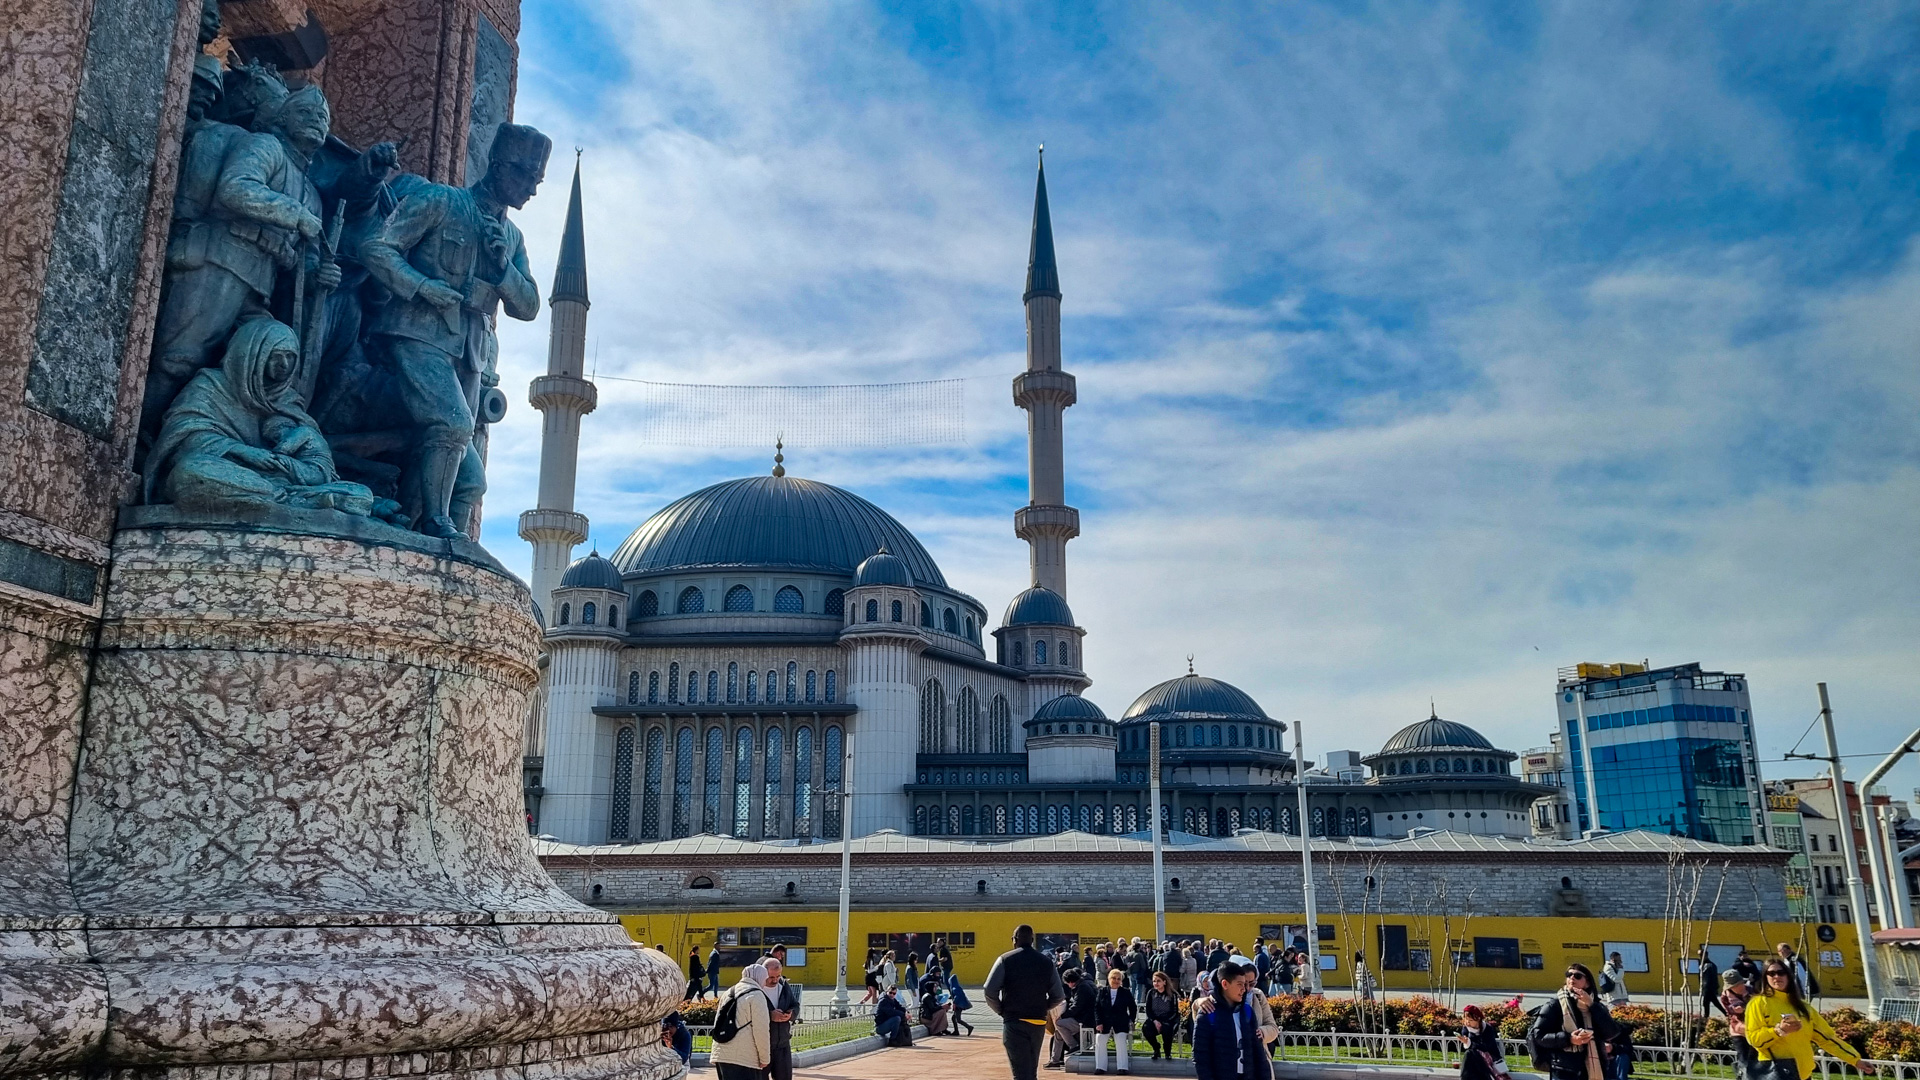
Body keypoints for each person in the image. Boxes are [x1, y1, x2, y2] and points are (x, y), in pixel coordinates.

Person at [1746, 959, 1870, 1080]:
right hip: (1777, 1072)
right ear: (1765, 977)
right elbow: (1754, 1039)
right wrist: (1778, 1031)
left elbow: (1827, 1038)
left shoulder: (1803, 1007)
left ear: (1788, 976)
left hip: (1804, 1074)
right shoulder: (1758, 1003)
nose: (1777, 977)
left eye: (1781, 972)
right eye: (1771, 973)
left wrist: (1855, 1060)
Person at [984, 924, 1067, 1080]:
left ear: (1014, 940)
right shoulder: (1046, 962)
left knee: (1020, 1073)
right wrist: (1044, 1007)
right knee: (1031, 1072)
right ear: (1032, 940)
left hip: (1014, 1021)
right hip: (1037, 1022)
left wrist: (1001, 1010)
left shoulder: (1005, 960)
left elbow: (989, 990)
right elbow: (1059, 995)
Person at [1528, 964, 1620, 1080]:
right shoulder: (1554, 1005)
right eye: (1569, 975)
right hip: (1564, 1070)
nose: (1572, 978)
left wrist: (1592, 1005)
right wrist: (1569, 1039)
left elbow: (1611, 1032)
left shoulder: (1597, 1006)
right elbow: (1539, 1035)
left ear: (1587, 983)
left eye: (1577, 976)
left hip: (1593, 1069)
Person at [1193, 960, 1273, 1080]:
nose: (1244, 989)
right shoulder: (1208, 1013)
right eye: (1240, 984)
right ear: (1225, 984)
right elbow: (1201, 1056)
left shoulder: (1247, 1011)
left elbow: (1258, 1053)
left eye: (1245, 984)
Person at [711, 961, 773, 1080]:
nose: (765, 983)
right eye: (765, 979)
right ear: (759, 977)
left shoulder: (729, 992)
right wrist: (765, 1058)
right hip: (744, 1058)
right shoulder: (757, 995)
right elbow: (761, 1030)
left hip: (721, 1054)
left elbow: (717, 1022)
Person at [1093, 965, 1136, 1075]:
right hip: (1104, 1022)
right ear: (1109, 979)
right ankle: (1100, 1067)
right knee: (1099, 1039)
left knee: (1121, 1041)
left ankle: (1122, 1068)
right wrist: (1098, 1022)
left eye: (1118, 979)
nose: (1116, 981)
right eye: (1114, 978)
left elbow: (1133, 1007)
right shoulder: (1102, 991)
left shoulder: (1126, 992)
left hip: (1120, 1022)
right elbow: (1097, 1007)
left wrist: (1131, 1020)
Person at [764, 948, 800, 1080]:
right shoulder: (756, 990)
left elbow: (795, 1005)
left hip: (783, 1044)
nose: (775, 980)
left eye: (778, 976)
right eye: (771, 977)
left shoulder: (784, 986)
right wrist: (770, 1016)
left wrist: (791, 1014)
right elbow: (749, 1014)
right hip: (762, 1045)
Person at [1720, 962, 1760, 1080]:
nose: (1740, 987)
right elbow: (1730, 1013)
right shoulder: (1725, 996)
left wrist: (1747, 1003)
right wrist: (1737, 1011)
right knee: (1744, 1058)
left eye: (1740, 983)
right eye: (1736, 985)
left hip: (1754, 1027)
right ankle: (1742, 1075)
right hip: (1738, 1029)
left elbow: (1759, 1006)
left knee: (1756, 1058)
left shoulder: (1752, 990)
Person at [1050, 969, 1095, 1070]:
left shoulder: (1082, 988)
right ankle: (1055, 1060)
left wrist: (1063, 1016)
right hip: (1081, 1018)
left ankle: (1074, 1046)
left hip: (1084, 1020)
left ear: (1070, 982)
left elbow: (1076, 1007)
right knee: (1058, 1033)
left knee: (1059, 1023)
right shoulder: (1081, 986)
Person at [1460, 1005, 1509, 1080]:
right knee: (1469, 1054)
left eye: (1470, 1020)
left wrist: (1470, 1043)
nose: (1467, 1022)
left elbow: (1485, 1047)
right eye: (1466, 1019)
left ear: (1478, 1019)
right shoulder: (1466, 1029)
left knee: (1470, 1053)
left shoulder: (1487, 1028)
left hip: (1490, 1056)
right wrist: (1466, 1042)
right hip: (1475, 1058)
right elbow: (1471, 1046)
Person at [1142, 971, 1181, 1061]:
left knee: (1167, 1029)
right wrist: (1155, 1021)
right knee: (1146, 1028)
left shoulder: (1172, 994)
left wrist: (1164, 1021)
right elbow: (1148, 1010)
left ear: (1164, 982)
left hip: (1169, 1019)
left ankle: (1167, 1052)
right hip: (1155, 1019)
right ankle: (1156, 1049)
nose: (1156, 983)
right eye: (1154, 981)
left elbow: (1175, 1012)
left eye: (1158, 981)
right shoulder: (1151, 993)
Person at [874, 983, 913, 1047]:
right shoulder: (883, 1001)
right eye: (890, 993)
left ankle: (900, 1039)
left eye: (894, 993)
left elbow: (899, 1007)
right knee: (896, 1019)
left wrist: (906, 1012)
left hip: (886, 1023)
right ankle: (892, 1040)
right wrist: (903, 1014)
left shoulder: (892, 999)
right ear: (887, 991)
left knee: (899, 1017)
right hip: (880, 1027)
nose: (892, 995)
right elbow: (891, 1012)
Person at [920, 970, 951, 1036]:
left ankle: (942, 1029)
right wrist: (942, 1007)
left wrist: (944, 1006)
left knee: (943, 1010)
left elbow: (936, 1006)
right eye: (934, 987)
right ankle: (935, 1030)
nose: (936, 989)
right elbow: (932, 1009)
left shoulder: (932, 996)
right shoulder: (927, 996)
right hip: (926, 1018)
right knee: (942, 1011)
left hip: (930, 1016)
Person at [947, 965, 975, 1036]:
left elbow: (957, 996)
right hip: (960, 1004)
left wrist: (954, 1002)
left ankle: (969, 1027)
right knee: (954, 1018)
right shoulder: (956, 987)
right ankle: (956, 1031)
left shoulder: (954, 988)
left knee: (958, 1019)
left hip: (958, 1005)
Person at [1699, 948, 1724, 1019]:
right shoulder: (1704, 965)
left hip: (1709, 987)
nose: (1700, 957)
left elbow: (1711, 977)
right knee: (1714, 1002)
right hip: (1707, 987)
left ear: (1706, 955)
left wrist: (1707, 987)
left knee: (1706, 1002)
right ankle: (1726, 1014)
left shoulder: (1709, 965)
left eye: (1701, 955)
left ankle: (1706, 1017)